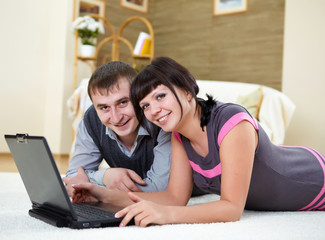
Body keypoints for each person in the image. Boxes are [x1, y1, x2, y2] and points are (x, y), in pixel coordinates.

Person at [72, 56, 325, 227]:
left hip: (314, 179)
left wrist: (166, 216)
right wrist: (101, 196)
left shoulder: (232, 121)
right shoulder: (179, 135)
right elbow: (173, 198)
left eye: (161, 96)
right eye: (146, 105)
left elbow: (231, 209)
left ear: (186, 90)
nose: (154, 110)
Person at [63, 61, 171, 196]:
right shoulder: (91, 120)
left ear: (138, 96)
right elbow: (74, 177)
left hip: (196, 189)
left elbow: (160, 189)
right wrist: (106, 176)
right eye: (104, 108)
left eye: (123, 102)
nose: (116, 118)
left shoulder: (160, 119)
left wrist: (99, 189)